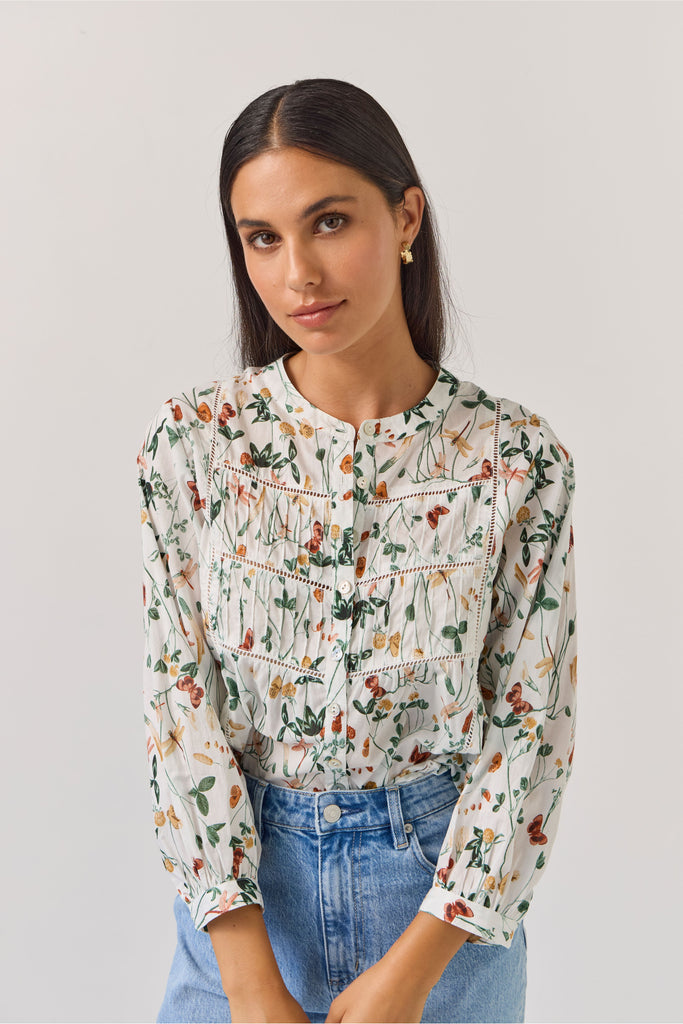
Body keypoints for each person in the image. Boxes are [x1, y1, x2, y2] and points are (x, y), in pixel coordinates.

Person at [138, 78, 577, 1024]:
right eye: (262, 237)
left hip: (440, 910)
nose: (297, 270)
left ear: (405, 214)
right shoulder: (194, 444)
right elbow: (179, 705)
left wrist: (414, 969)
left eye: (329, 221)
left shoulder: (512, 460)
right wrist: (249, 981)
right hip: (242, 907)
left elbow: (529, 728)